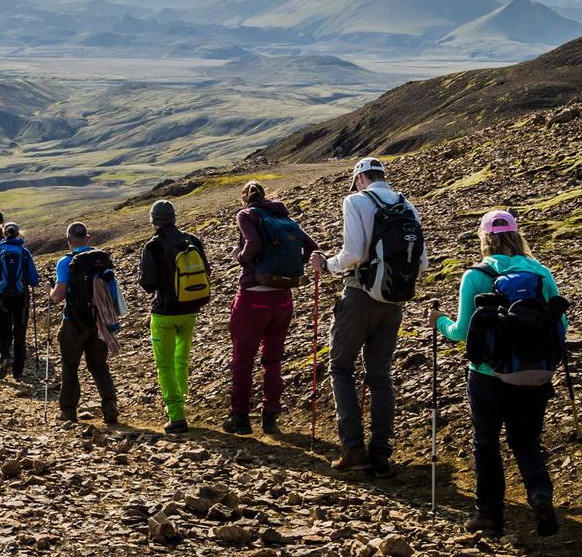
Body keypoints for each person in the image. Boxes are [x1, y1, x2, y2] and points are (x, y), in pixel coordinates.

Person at [431, 210, 564, 538]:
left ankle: (488, 514)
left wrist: (439, 321)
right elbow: (559, 324)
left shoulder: (475, 275)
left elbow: (462, 331)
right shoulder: (541, 273)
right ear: (517, 235)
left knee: (486, 441)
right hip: (534, 374)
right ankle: (539, 494)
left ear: (484, 237)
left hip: (487, 376)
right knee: (527, 441)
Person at [311, 156, 428, 477]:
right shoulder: (408, 206)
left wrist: (327, 264)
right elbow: (423, 262)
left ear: (360, 179)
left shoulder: (356, 201)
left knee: (340, 367)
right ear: (383, 176)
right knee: (379, 376)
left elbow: (354, 254)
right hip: (394, 300)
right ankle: (381, 453)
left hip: (360, 296)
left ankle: (353, 449)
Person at [224, 181, 318, 435]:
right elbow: (312, 247)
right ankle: (270, 417)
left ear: (244, 199)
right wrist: (292, 266)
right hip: (283, 299)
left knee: (243, 360)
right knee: (273, 360)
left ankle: (241, 418)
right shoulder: (283, 216)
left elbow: (252, 244)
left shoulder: (245, 214)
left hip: (253, 297)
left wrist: (241, 258)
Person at [139, 199, 210, 434]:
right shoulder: (192, 240)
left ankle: (177, 415)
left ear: (153, 221)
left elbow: (149, 284)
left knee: (165, 365)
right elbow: (206, 272)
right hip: (190, 310)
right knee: (182, 360)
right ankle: (179, 403)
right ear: (174, 218)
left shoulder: (154, 246)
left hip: (165, 313)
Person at [49, 221, 124, 425]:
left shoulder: (65, 262)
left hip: (74, 321)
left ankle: (69, 411)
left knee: (70, 366)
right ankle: (110, 405)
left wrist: (50, 292)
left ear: (68, 241)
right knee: (99, 365)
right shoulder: (101, 259)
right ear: (88, 238)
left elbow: (59, 295)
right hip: (100, 321)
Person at [0, 222, 39, 381]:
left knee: (2, 329)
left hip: (2, 297)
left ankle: (5, 357)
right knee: (20, 333)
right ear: (17, 234)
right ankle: (18, 371)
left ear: (4, 234)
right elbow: (34, 280)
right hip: (21, 299)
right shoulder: (25, 252)